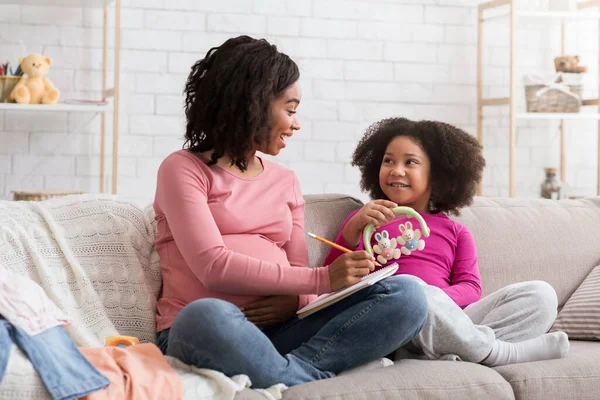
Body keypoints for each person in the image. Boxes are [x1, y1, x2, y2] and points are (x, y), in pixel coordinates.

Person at [152, 36, 428, 389]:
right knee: (205, 315)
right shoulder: (184, 169)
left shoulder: (286, 181)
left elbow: (298, 277)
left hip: (283, 330)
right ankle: (305, 380)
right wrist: (323, 280)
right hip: (210, 330)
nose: (296, 124)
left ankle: (292, 375)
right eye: (290, 109)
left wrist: (296, 301)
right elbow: (213, 266)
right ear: (252, 104)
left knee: (407, 295)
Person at [323, 117, 569, 366]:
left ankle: (444, 352)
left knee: (541, 295)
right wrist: (353, 230)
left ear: (438, 175)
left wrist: (433, 300)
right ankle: (494, 353)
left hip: (447, 318)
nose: (396, 170)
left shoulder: (457, 232)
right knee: (411, 288)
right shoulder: (365, 220)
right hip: (392, 316)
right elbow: (331, 280)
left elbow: (471, 288)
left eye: (410, 162)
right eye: (388, 160)